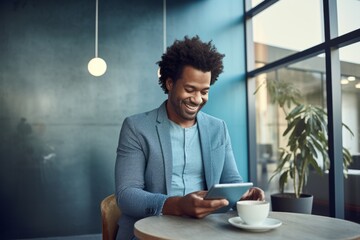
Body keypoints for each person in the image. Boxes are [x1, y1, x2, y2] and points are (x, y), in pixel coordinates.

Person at [114, 36, 264, 240]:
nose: (197, 99)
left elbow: (231, 181)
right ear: (169, 83)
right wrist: (176, 204)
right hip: (150, 229)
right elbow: (127, 195)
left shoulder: (217, 128)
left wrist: (243, 195)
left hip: (207, 230)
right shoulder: (137, 127)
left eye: (204, 91)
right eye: (190, 89)